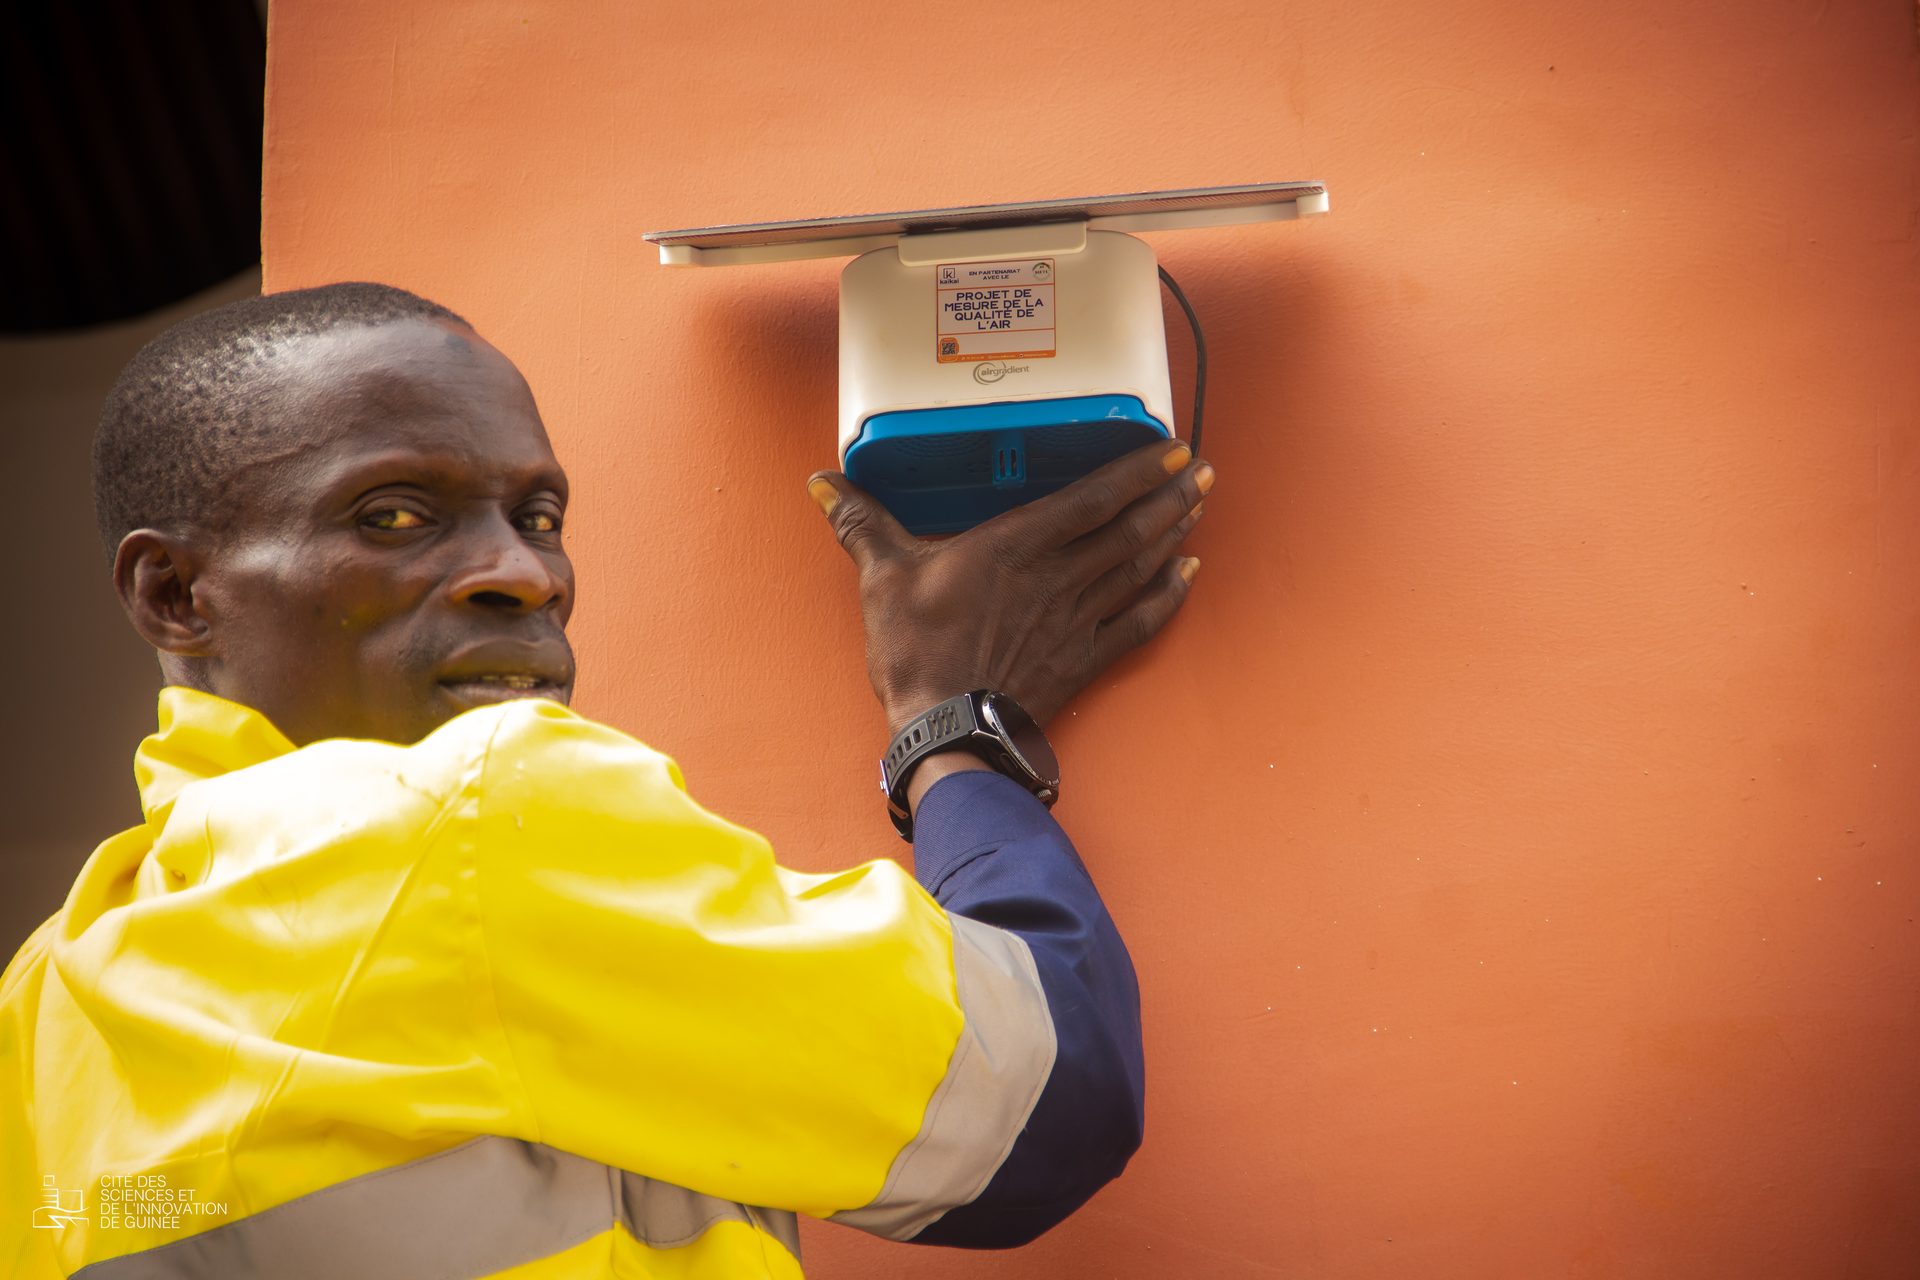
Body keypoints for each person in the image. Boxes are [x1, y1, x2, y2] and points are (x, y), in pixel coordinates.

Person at [0, 283, 1211, 1278]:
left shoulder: (48, 999)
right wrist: (955, 724)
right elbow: (1050, 1095)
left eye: (539, 515)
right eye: (395, 514)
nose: (522, 574)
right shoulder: (471, 815)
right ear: (173, 592)